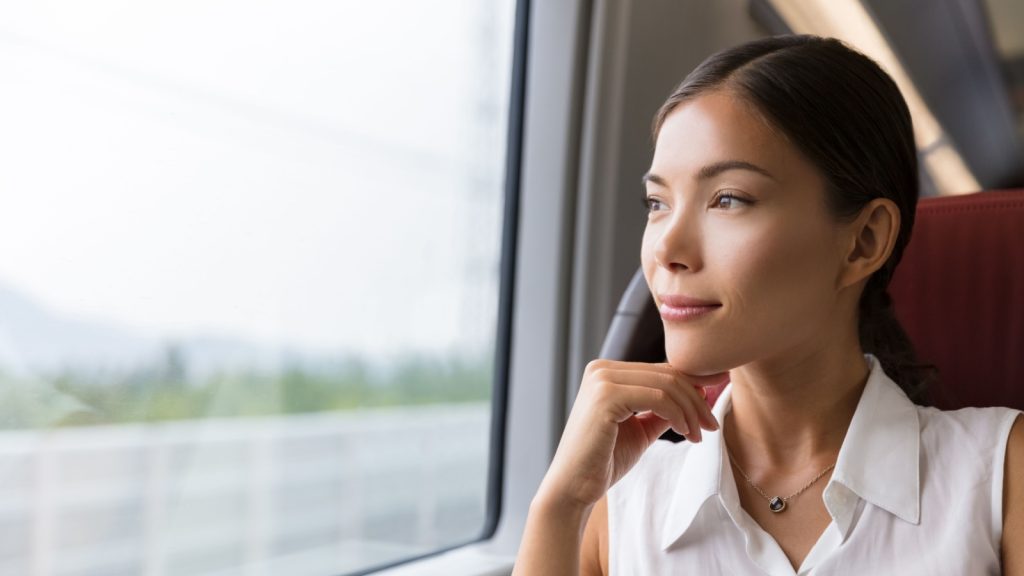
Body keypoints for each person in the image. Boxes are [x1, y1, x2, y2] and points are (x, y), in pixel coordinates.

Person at [512, 35, 1024, 575]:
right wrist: (559, 505)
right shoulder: (617, 501)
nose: (666, 249)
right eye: (657, 203)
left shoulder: (1000, 475)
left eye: (728, 199)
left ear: (863, 242)